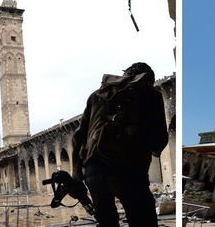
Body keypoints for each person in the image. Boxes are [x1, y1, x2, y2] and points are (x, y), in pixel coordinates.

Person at [72, 62, 168, 227]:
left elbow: (78, 136)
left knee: (106, 222)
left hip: (93, 172)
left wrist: (76, 172)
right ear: (147, 80)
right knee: (144, 221)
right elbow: (159, 139)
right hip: (128, 170)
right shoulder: (150, 93)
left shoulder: (97, 95)